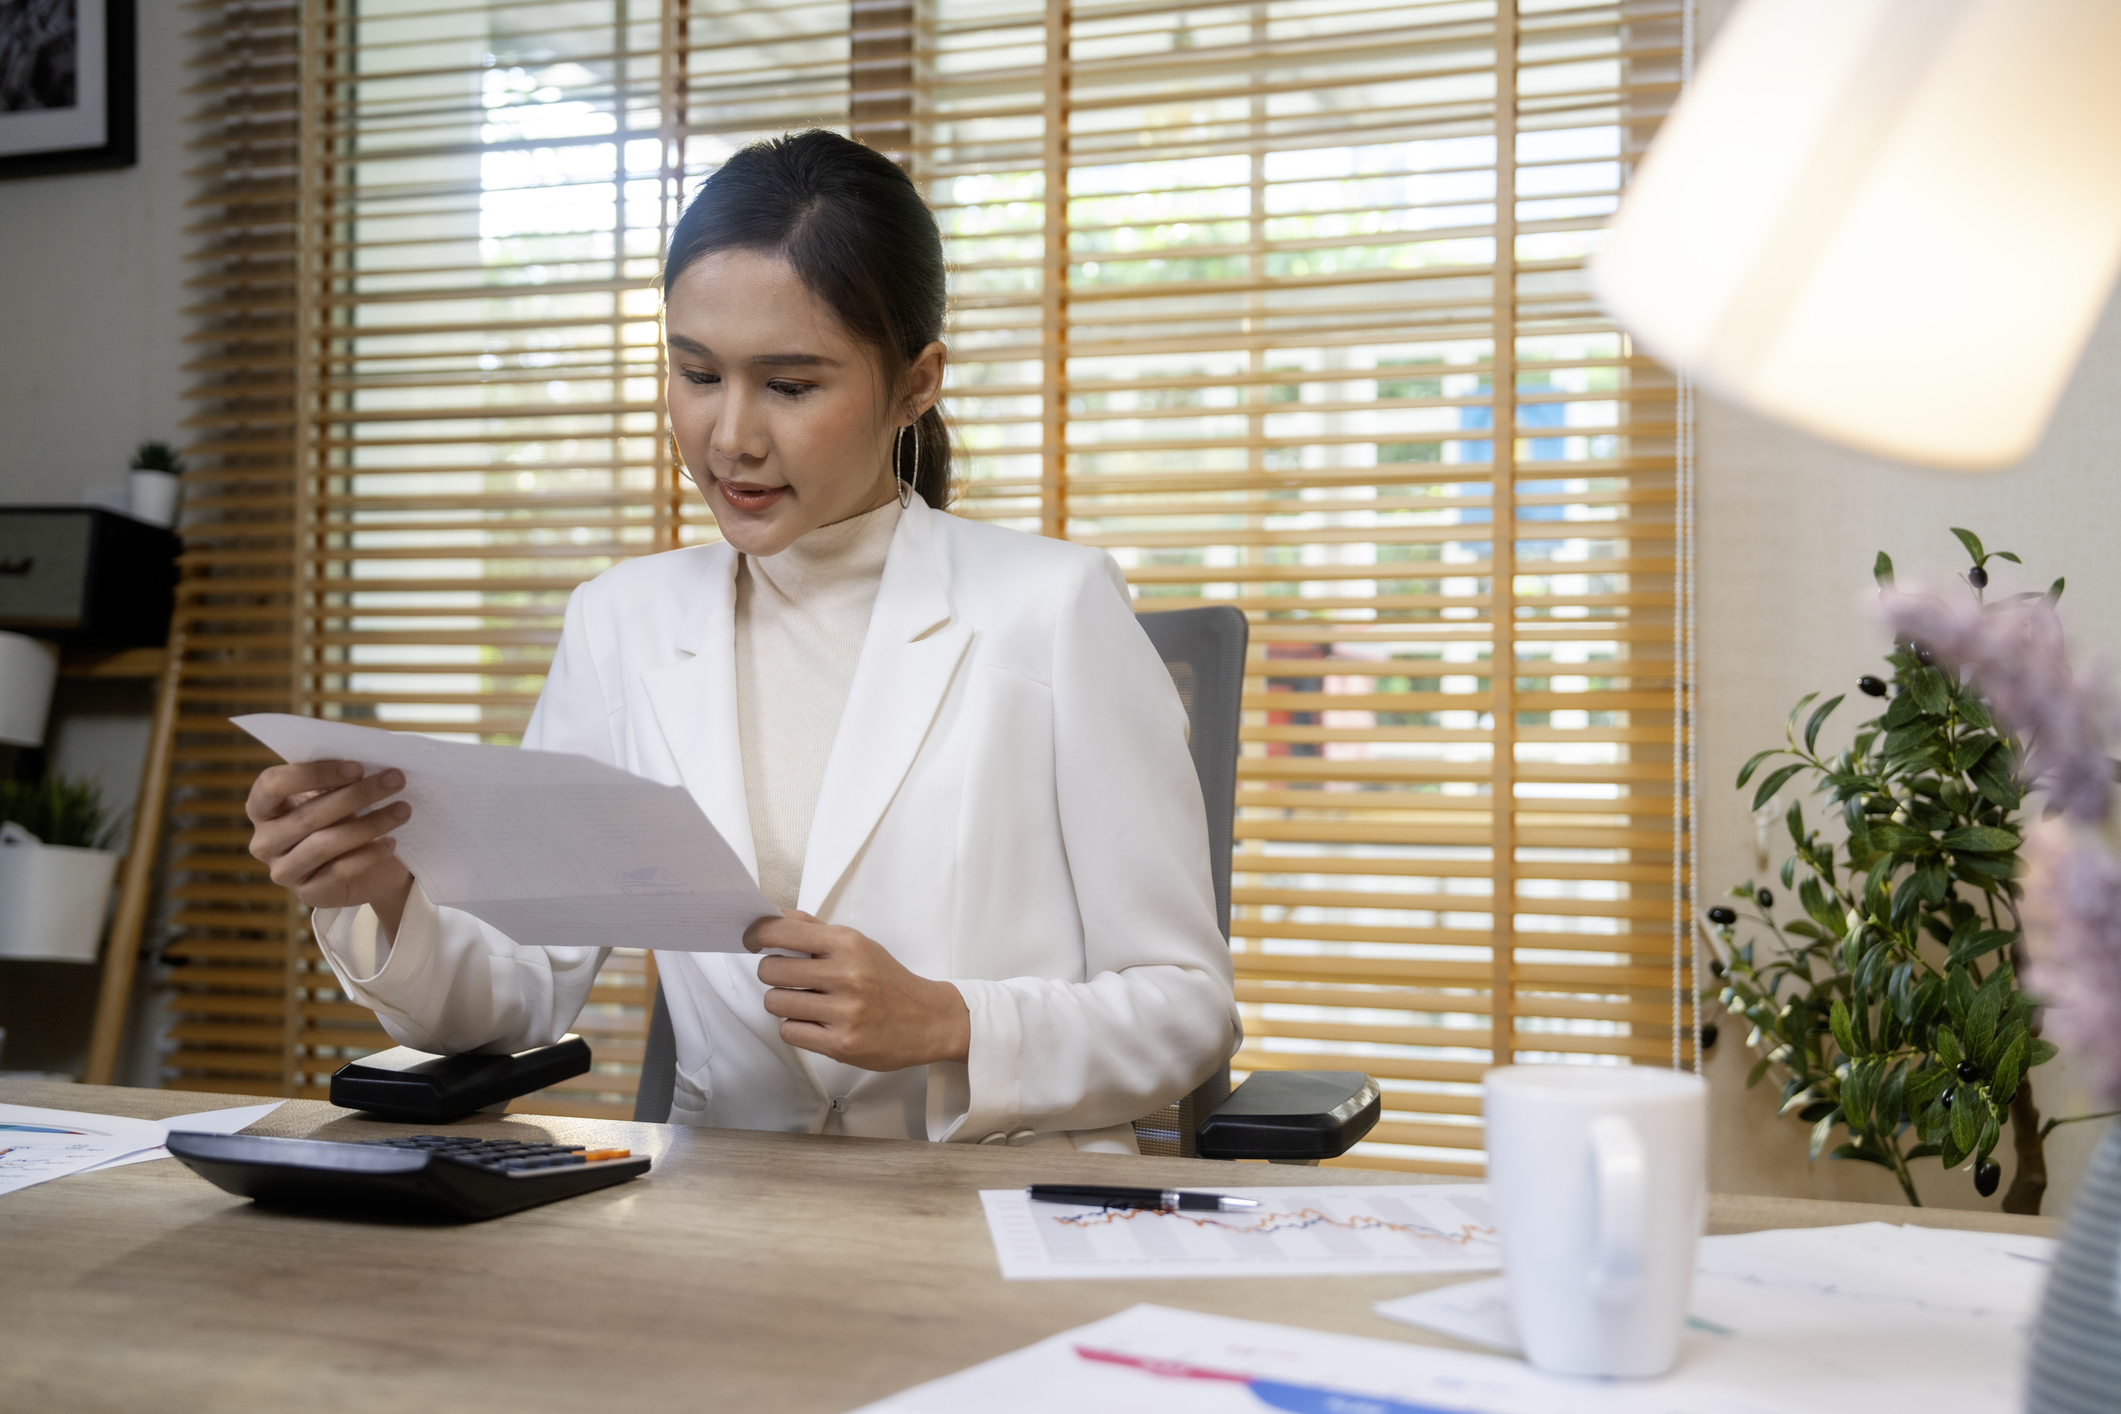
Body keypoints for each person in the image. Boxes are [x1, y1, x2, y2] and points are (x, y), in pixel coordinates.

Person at [242, 130, 1238, 1151]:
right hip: (725, 1215)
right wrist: (383, 893)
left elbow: (1186, 1008)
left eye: (792, 385)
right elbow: (516, 989)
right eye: (698, 374)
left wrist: (951, 1020)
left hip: (986, 1217)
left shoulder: (1056, 606)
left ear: (916, 382)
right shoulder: (622, 623)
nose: (731, 437)